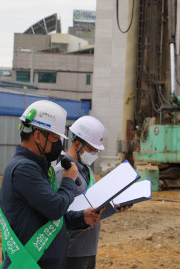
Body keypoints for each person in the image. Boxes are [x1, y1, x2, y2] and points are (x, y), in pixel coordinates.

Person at [0, 100, 101, 269]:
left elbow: (46, 218)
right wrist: (69, 180)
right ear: (38, 136)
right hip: (28, 264)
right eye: (55, 138)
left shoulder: (38, 167)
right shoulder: (24, 169)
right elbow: (55, 208)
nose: (59, 144)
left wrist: (81, 218)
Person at [54, 115, 131, 269]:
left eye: (97, 150)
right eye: (92, 149)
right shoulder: (61, 172)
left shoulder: (87, 171)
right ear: (76, 144)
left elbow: (91, 208)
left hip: (88, 248)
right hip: (70, 251)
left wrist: (113, 207)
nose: (95, 154)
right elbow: (55, 213)